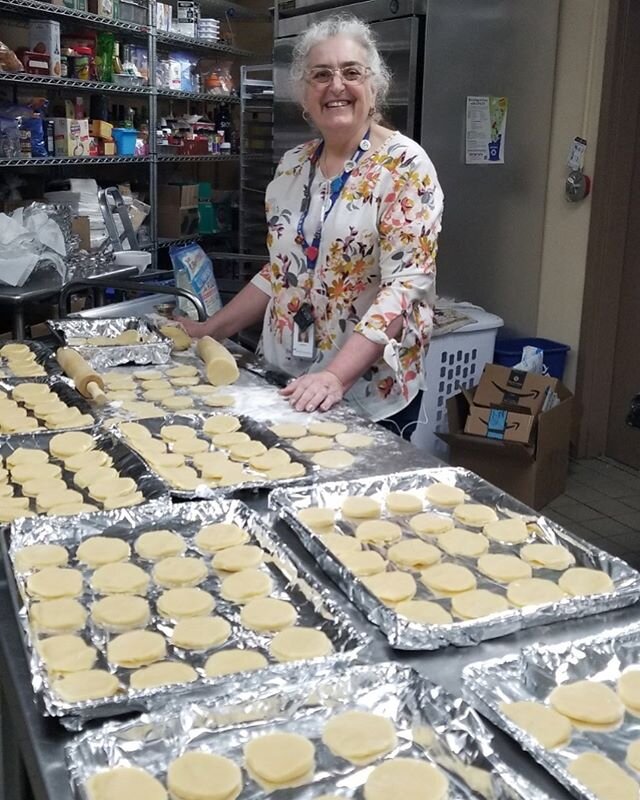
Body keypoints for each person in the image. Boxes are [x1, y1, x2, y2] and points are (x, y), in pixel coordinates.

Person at [181, 15, 443, 440]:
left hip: (365, 395)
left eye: (351, 72)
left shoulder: (405, 166)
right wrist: (209, 330)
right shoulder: (293, 166)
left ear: (374, 86)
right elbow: (281, 271)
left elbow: (405, 287)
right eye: (321, 75)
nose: (335, 86)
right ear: (304, 94)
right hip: (284, 382)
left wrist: (335, 377)